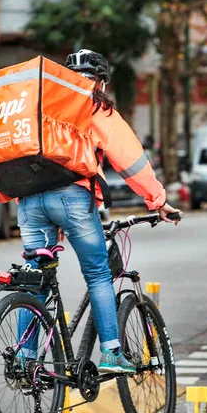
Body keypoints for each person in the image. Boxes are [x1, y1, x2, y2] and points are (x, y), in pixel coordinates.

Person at [15, 49, 182, 374]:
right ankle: (111, 352)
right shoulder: (94, 105)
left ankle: (24, 359)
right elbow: (129, 160)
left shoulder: (38, 104)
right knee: (97, 274)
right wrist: (158, 201)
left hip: (29, 198)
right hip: (72, 198)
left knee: (34, 277)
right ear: (102, 80)